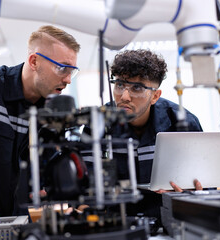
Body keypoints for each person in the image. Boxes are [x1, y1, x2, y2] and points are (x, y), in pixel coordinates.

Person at [0, 24, 81, 218]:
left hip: (16, 224)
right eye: (62, 68)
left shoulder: (49, 116)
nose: (69, 79)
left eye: (73, 71)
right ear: (34, 61)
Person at [81, 49, 202, 222]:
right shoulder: (97, 125)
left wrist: (193, 192)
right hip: (116, 224)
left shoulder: (182, 123)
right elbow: (85, 186)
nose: (124, 96)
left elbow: (204, 183)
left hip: (171, 221)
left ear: (155, 96)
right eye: (120, 85)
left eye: (137, 88)